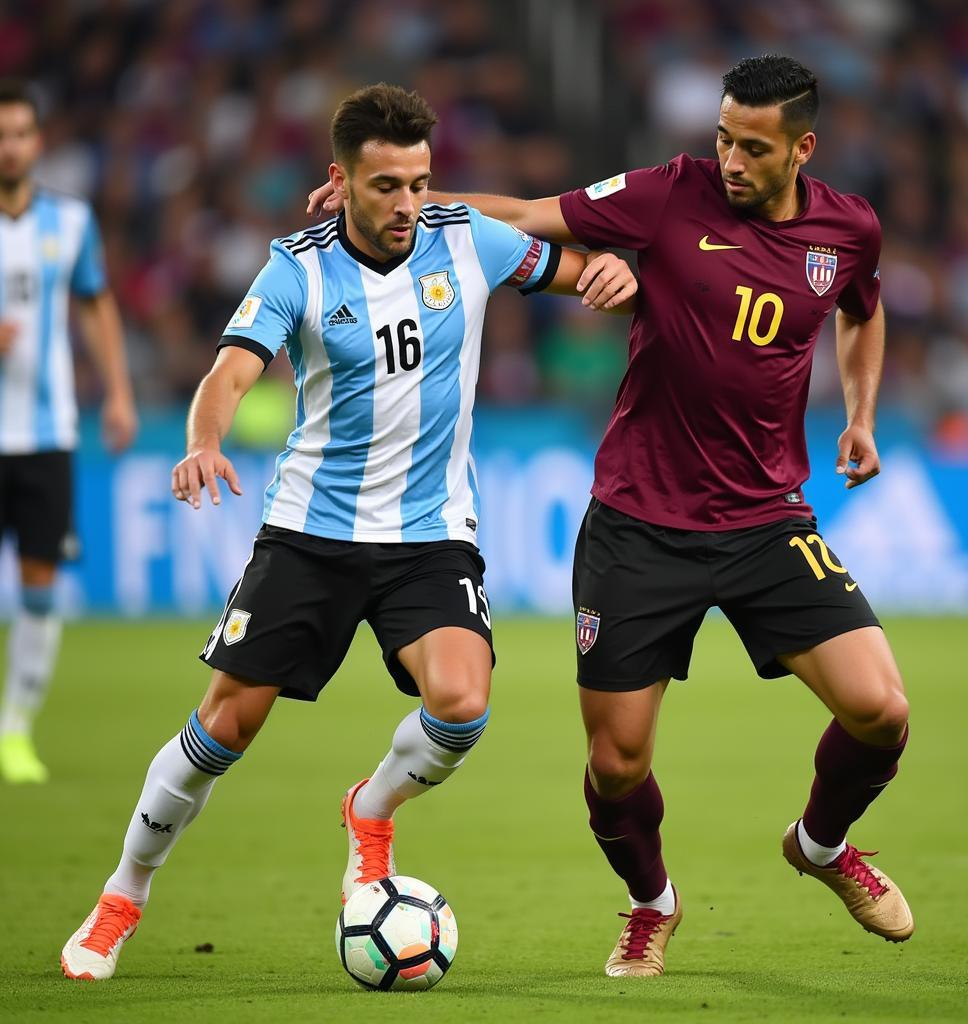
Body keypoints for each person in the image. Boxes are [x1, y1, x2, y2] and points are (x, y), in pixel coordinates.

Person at [311, 53, 914, 978]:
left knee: (882, 711)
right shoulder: (671, 194)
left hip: (768, 519)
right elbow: (520, 214)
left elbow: (862, 312)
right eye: (722, 138)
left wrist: (863, 415)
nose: (731, 160)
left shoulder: (849, 229)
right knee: (619, 766)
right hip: (639, 524)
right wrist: (391, 202)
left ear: (804, 148)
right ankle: (650, 903)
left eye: (753, 147)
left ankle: (823, 846)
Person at [60, 82, 636, 981]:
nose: (406, 204)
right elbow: (230, 371)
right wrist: (204, 441)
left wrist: (611, 272)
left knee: (462, 702)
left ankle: (370, 812)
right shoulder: (296, 265)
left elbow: (575, 268)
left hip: (431, 534)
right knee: (226, 726)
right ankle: (121, 895)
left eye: (418, 183)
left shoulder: (466, 241)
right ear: (341, 180)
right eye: (386, 187)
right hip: (310, 533)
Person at [0, 81, 136, 785]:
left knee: (40, 586)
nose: (11, 145)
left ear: (38, 141)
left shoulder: (71, 223)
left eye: (20, 132)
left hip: (48, 432)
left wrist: (116, 392)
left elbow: (94, 306)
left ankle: (15, 729)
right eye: (2, 134)